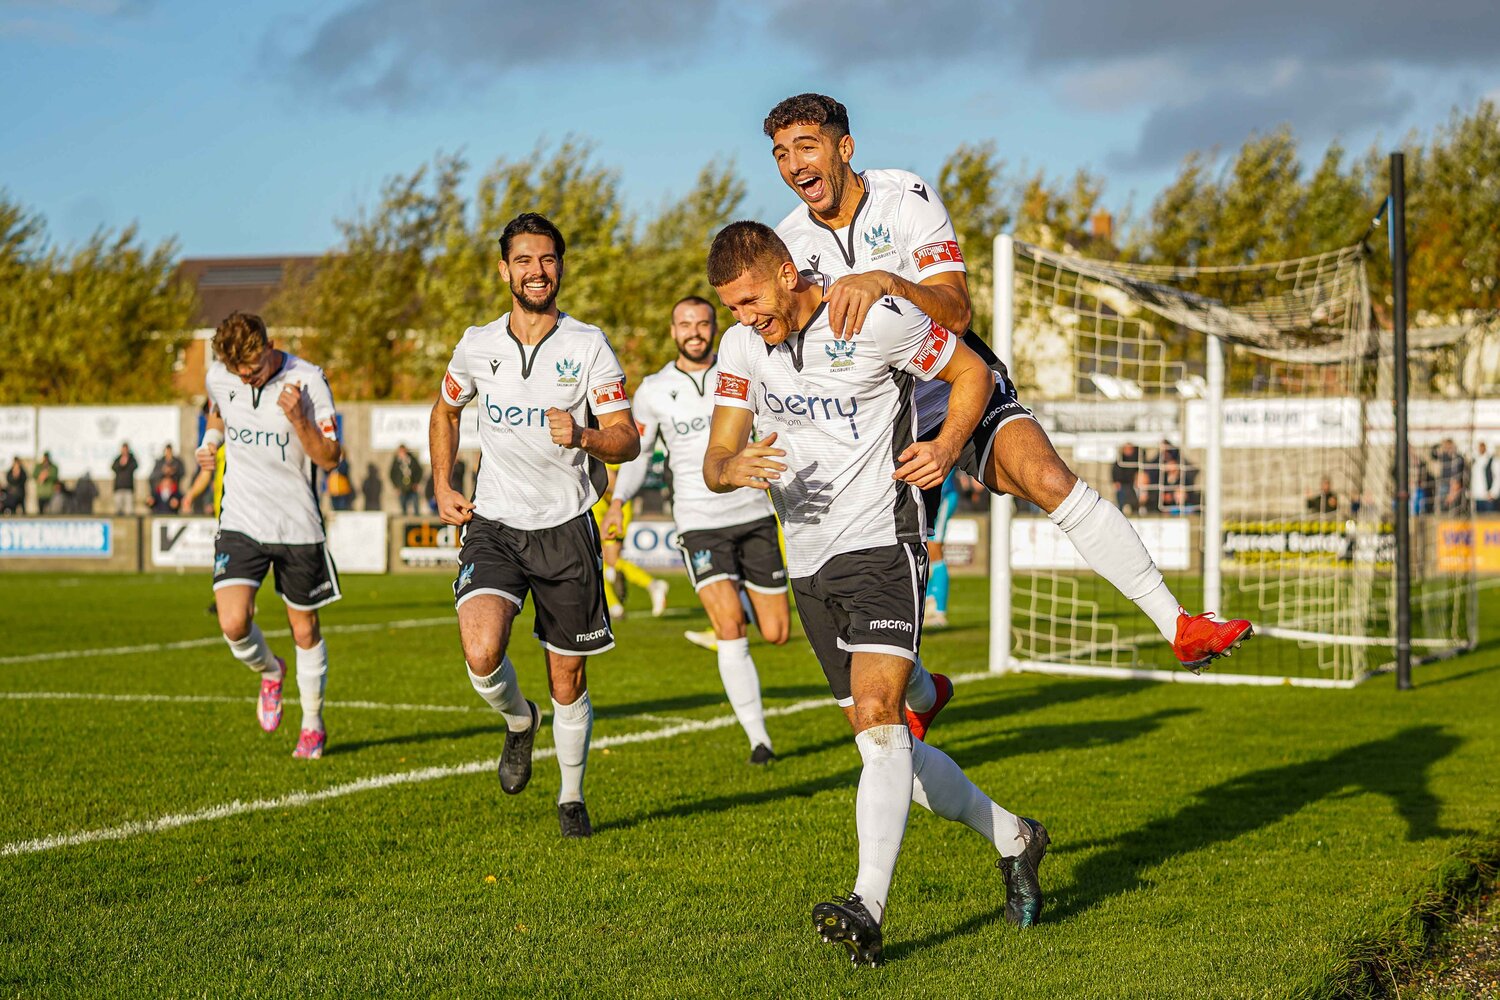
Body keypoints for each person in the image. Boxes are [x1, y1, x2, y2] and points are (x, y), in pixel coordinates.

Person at [764, 93, 1251, 673]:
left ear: (844, 148)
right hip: (870, 424)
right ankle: (916, 696)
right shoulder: (785, 243)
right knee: (876, 591)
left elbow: (956, 312)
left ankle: (1180, 625)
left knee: (1049, 478)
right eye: (780, 153)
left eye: (806, 146)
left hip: (952, 387)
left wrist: (888, 282)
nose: (794, 164)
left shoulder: (905, 197)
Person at [704, 222, 1050, 965]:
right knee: (882, 741)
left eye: (751, 300)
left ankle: (868, 903)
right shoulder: (739, 350)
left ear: (789, 272)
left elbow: (972, 375)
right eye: (731, 307)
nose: (745, 318)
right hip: (809, 562)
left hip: (882, 540)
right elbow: (715, 458)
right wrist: (734, 470)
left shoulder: (873, 318)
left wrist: (949, 446)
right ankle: (1015, 836)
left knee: (878, 717)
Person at [430, 212, 640, 840]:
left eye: (547, 260)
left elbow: (627, 440)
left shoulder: (589, 345)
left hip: (566, 527)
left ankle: (571, 797)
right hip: (494, 522)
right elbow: (444, 412)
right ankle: (520, 722)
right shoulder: (477, 343)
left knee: (568, 677)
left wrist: (583, 435)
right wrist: (442, 482)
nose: (536, 272)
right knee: (481, 649)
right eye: (523, 260)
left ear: (560, 267)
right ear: (505, 270)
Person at [607, 295, 785, 762]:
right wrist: (618, 502)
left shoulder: (744, 369)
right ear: (673, 331)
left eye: (702, 323)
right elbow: (640, 455)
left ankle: (742, 602)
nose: (694, 331)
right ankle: (758, 740)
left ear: (713, 328)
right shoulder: (652, 390)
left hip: (753, 514)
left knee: (777, 632)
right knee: (728, 626)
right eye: (685, 323)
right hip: (698, 523)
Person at [198, 311, 343, 761]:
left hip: (297, 524)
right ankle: (270, 669)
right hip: (241, 518)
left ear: (270, 345)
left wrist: (300, 420)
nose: (248, 380)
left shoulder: (309, 380)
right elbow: (217, 410)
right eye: (240, 373)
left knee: (305, 630)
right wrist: (209, 443)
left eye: (255, 370)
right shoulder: (220, 375)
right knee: (233, 624)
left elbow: (331, 457)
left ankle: (312, 726)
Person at [592, 463, 669, 620]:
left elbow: (613, 481)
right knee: (599, 560)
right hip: (599, 503)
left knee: (607, 560)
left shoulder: (610, 452)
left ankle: (651, 585)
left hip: (617, 506)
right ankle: (614, 605)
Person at [924, 469, 961, 628]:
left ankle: (939, 611)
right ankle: (928, 604)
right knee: (925, 552)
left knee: (935, 550)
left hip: (943, 498)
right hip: (931, 500)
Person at [1432, 439, 1467, 513]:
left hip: (1454, 485)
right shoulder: (1443, 456)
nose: (1447, 448)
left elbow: (1458, 474)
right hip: (1443, 484)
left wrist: (1454, 488)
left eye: (1449, 446)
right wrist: (1439, 446)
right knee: (1441, 504)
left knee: (1453, 505)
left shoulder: (1458, 458)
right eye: (1446, 446)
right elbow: (1433, 453)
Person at [389, 444, 423, 516]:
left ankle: (417, 521)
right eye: (400, 452)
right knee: (403, 506)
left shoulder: (412, 460)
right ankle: (405, 520)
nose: (402, 453)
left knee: (415, 504)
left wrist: (416, 483)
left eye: (403, 451)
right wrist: (396, 486)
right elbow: (392, 475)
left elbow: (419, 471)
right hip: (402, 487)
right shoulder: (396, 462)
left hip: (412, 486)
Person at [1111, 443, 1142, 514]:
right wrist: (1116, 481)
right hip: (1123, 484)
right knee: (1121, 492)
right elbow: (1115, 471)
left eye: (1130, 449)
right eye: (1126, 449)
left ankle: (1135, 509)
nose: (1128, 451)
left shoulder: (1137, 458)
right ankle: (1122, 509)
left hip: (1133, 483)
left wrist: (1137, 479)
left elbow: (1139, 471)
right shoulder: (1120, 460)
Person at [110, 443, 138, 515]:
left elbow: (135, 466)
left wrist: (127, 462)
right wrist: (120, 464)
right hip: (119, 487)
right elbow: (113, 467)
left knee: (129, 509)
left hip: (128, 487)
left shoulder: (131, 459)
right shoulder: (118, 459)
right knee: (118, 508)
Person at [1470, 442, 1496, 514]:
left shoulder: (1491, 460)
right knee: (1478, 519)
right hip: (1477, 496)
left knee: (1489, 520)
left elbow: (1497, 478)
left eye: (1482, 447)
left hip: (1487, 497)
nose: (1480, 449)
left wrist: (1493, 492)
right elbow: (1473, 478)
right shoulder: (1474, 461)